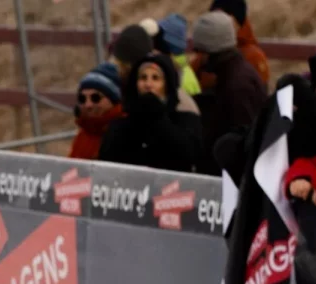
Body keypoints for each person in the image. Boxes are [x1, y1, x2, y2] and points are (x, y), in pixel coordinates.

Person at [189, 11, 267, 176]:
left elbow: (242, 141)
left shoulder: (237, 85)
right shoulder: (232, 75)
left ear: (209, 51)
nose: (197, 57)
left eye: (199, 51)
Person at [97, 53, 203, 173]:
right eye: (143, 78)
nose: (148, 85)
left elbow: (189, 155)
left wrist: (157, 115)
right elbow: (106, 166)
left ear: (167, 86)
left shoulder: (186, 121)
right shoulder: (119, 125)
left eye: (155, 78)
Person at [205, 0, 269, 87]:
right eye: (212, 18)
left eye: (222, 18)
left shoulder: (253, 56)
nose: (216, 24)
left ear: (237, 22)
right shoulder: (205, 53)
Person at [69, 62, 123, 160]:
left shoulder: (125, 133)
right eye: (82, 99)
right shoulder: (82, 135)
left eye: (95, 98)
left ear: (113, 100)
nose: (88, 105)